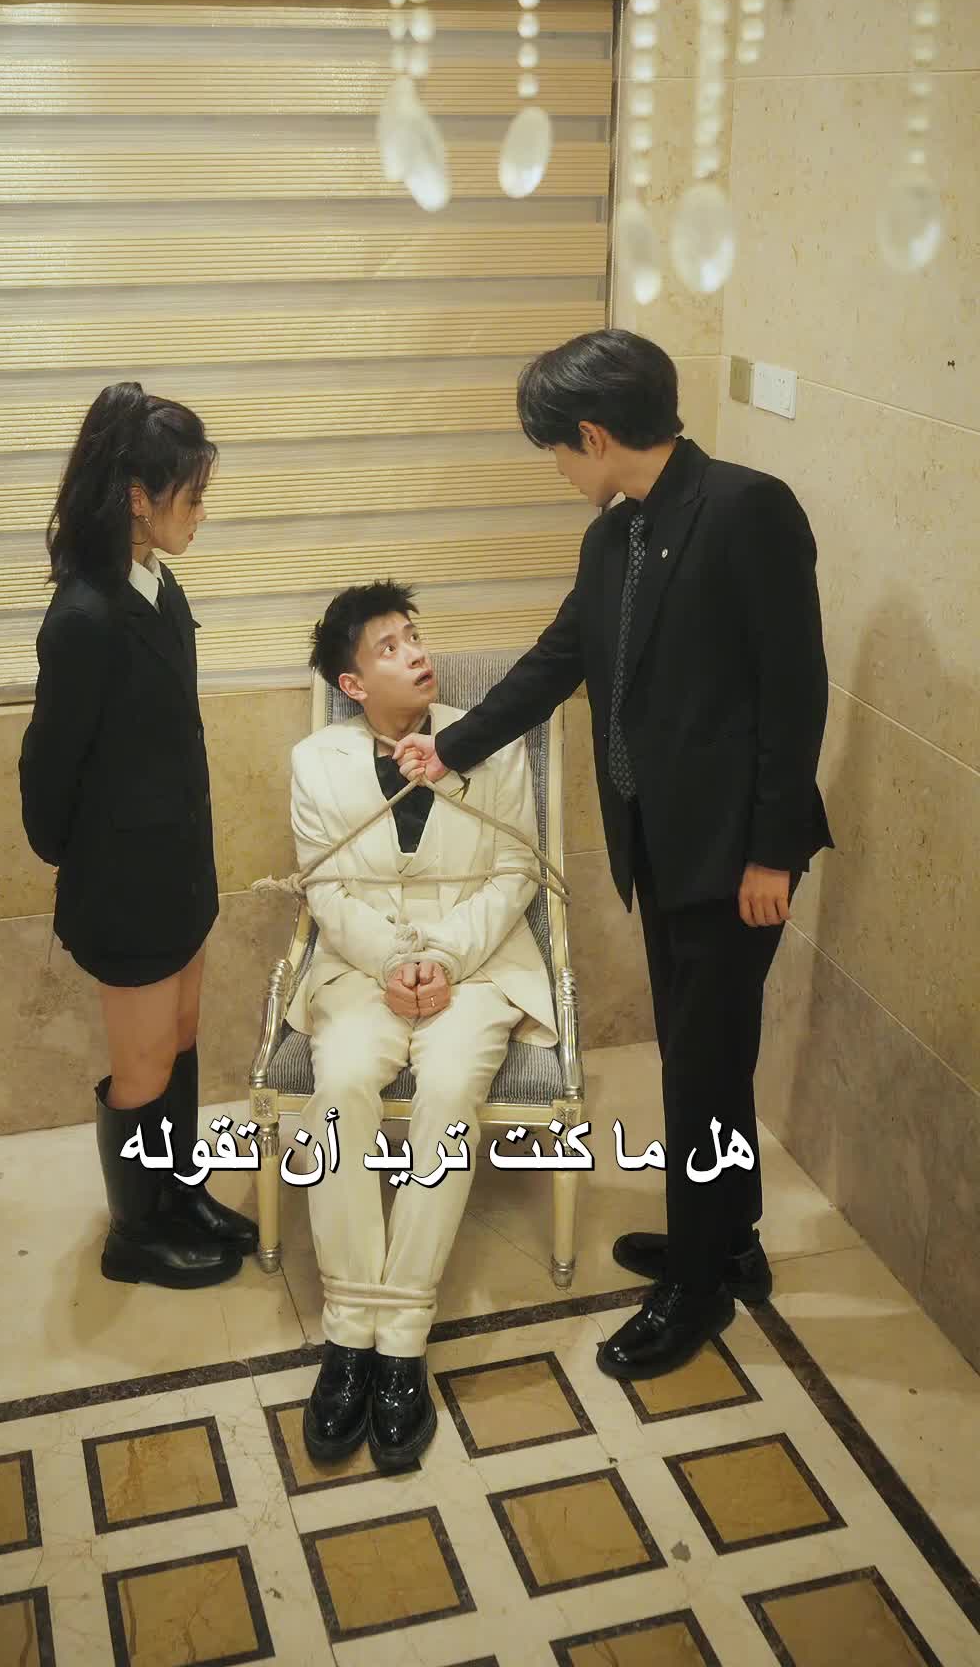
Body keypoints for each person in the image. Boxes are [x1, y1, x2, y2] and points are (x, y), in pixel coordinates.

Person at [394, 330, 832, 1378]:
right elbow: (557, 661)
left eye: (555, 449)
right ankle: (727, 1240)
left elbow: (796, 691)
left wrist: (772, 855)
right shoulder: (614, 536)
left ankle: (698, 1286)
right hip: (661, 846)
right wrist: (448, 748)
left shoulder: (746, 510)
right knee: (702, 1058)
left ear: (593, 435)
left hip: (734, 855)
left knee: (702, 1069)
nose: (555, 468)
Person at [290, 582, 555, 1470]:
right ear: (352, 683)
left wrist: (441, 957)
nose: (414, 653)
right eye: (388, 647)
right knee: (341, 1086)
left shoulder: (489, 739)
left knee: (446, 1093)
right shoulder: (315, 762)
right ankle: (348, 1334)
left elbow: (517, 868)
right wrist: (389, 961)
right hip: (361, 967)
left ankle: (401, 1339)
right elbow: (324, 885)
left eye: (414, 636)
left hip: (474, 964)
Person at [19, 381, 258, 1290]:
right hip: (125, 879)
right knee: (142, 1059)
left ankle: (177, 1193)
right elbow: (50, 760)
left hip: (177, 864)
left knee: (182, 1035)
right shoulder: (85, 614)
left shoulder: (155, 582)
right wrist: (81, 858)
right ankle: (135, 1232)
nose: (200, 514)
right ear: (136, 498)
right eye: (190, 497)